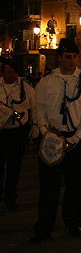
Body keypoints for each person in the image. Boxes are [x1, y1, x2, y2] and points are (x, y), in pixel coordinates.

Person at [30, 38, 81, 244]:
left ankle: (73, 223)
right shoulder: (47, 81)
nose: (72, 61)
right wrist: (45, 132)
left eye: (74, 57)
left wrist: (76, 137)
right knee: (48, 188)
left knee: (74, 186)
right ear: (59, 57)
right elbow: (39, 108)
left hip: (75, 140)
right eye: (67, 57)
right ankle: (44, 227)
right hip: (52, 139)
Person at [0, 59, 37, 209]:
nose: (12, 75)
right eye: (9, 72)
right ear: (2, 72)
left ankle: (10, 197)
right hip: (1, 131)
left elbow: (34, 108)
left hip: (18, 132)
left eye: (15, 72)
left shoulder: (26, 88)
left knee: (14, 167)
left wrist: (34, 126)